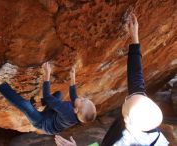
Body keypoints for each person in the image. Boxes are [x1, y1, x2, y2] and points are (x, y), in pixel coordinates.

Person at [54, 14, 169, 146]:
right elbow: (136, 76)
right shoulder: (144, 120)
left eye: (126, 101)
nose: (128, 96)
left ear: (127, 120)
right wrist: (135, 38)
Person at [0, 61, 97, 135]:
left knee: (25, 105)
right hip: (54, 117)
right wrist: (73, 78)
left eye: (82, 100)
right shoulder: (76, 111)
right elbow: (74, 97)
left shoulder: (67, 110)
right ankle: (38, 105)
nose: (80, 97)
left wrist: (47, 74)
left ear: (76, 110)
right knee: (59, 94)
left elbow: (47, 97)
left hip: (43, 123)